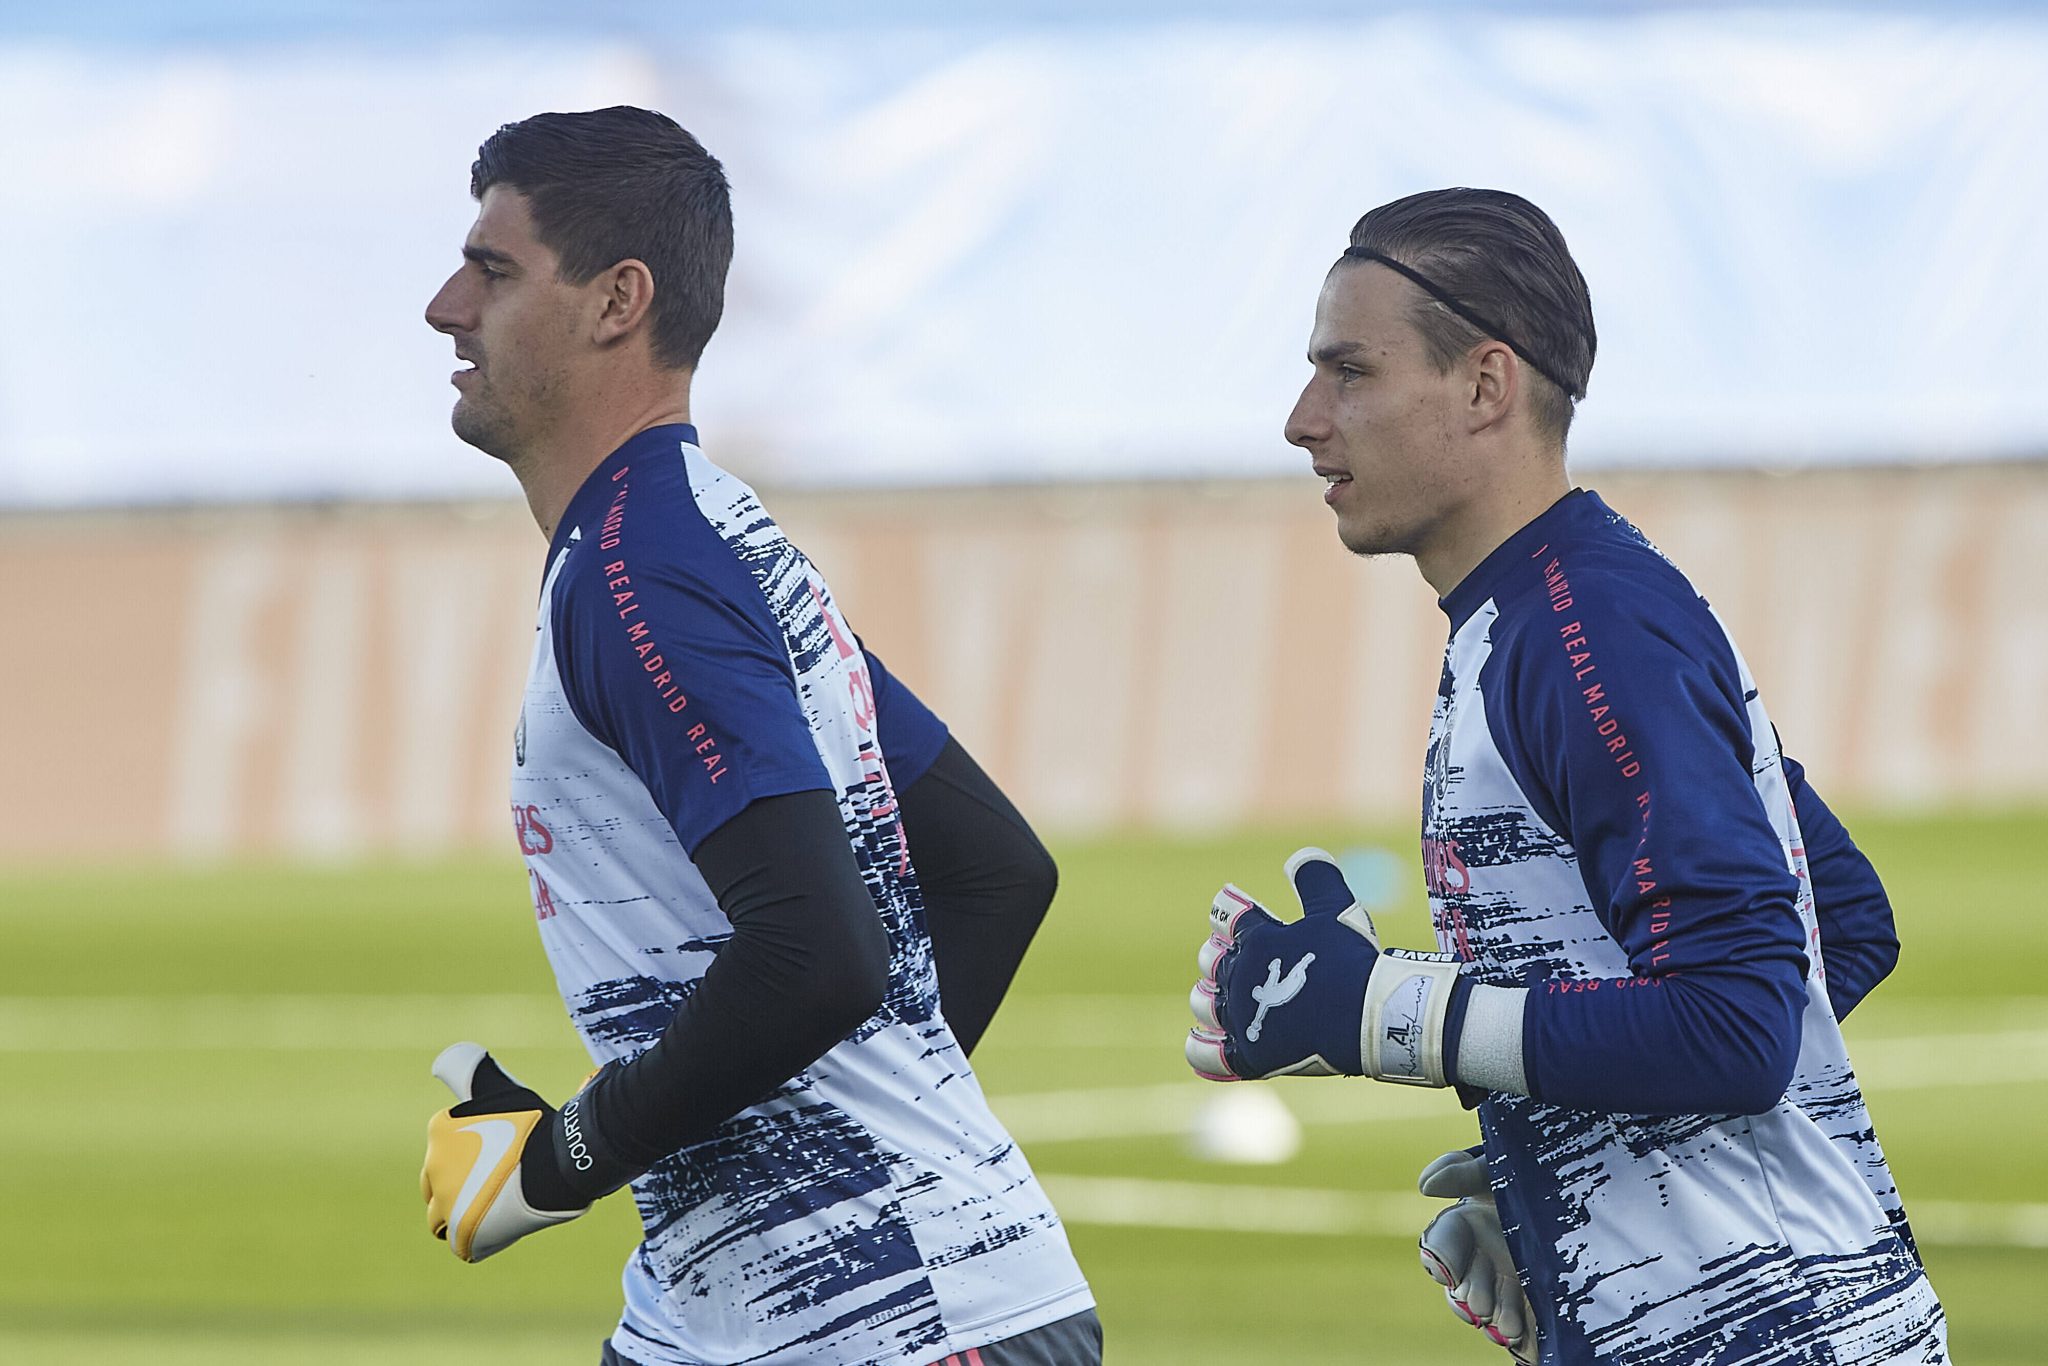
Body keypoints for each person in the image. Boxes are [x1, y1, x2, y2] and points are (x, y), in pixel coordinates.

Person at [1182, 188, 1947, 1364]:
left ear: (1485, 386)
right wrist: (1571, 1153)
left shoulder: (1586, 626)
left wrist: (1377, 1011)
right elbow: (1837, 920)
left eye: (1349, 372)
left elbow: (1741, 1021)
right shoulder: (1549, 610)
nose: (1301, 419)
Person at [416, 105, 1098, 1366]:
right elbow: (995, 873)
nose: (445, 304)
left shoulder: (644, 570)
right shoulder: (699, 535)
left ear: (618, 300)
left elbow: (819, 954)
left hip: (897, 1333)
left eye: (494, 269)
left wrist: (560, 1160)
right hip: (719, 1317)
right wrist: (790, 1162)